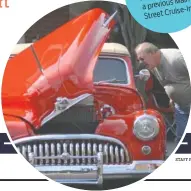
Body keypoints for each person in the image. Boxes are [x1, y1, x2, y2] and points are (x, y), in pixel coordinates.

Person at [135, 42, 191, 142]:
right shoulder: (153, 66)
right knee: (182, 140)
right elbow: (168, 83)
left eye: (142, 59)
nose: (140, 63)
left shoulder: (176, 58)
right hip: (180, 106)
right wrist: (172, 98)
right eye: (138, 60)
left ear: (152, 53)